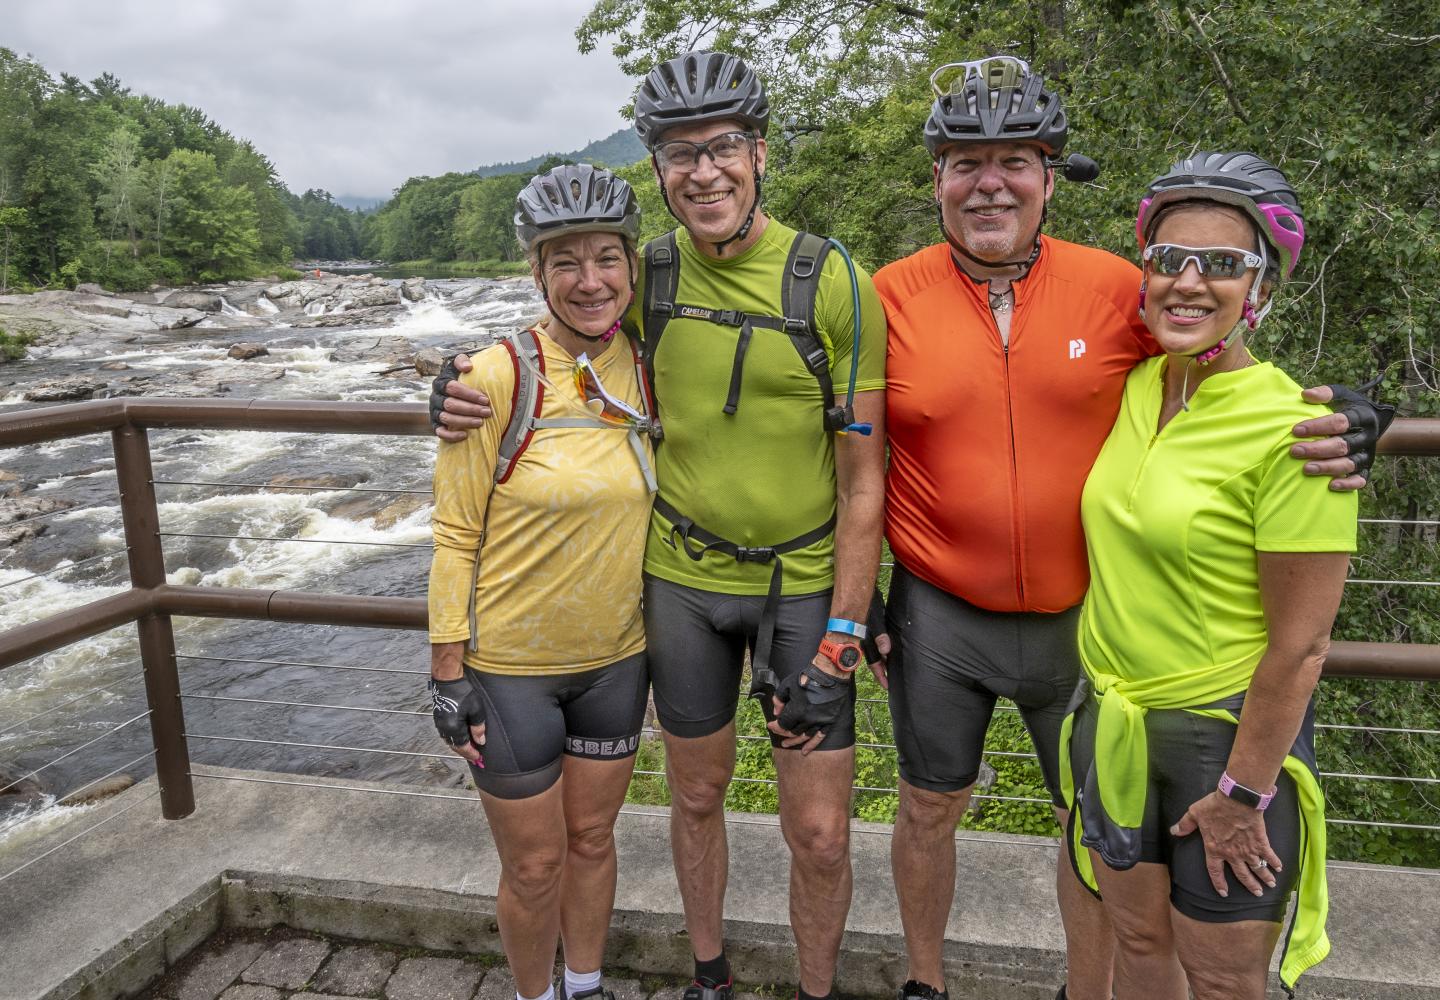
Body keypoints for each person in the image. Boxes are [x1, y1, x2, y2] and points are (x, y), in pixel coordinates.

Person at [871, 58, 1388, 1000]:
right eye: (965, 161)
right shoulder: (886, 295)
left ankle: (1090, 990)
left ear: (1051, 176)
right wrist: (849, 595)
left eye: (1015, 160)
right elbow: (839, 446)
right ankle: (925, 982)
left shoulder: (1120, 287)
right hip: (942, 610)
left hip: (1086, 624)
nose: (990, 181)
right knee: (929, 804)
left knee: (1087, 842)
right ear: (937, 178)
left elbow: (1223, 349)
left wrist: (1354, 413)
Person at [433, 51, 887, 1000]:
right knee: (695, 796)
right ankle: (709, 977)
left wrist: (846, 629)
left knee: (820, 830)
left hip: (799, 587)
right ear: (659, 170)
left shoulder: (831, 279)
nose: (705, 170)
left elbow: (862, 477)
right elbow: (568, 320)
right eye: (681, 153)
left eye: (724, 146)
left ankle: (816, 990)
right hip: (680, 584)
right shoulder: (651, 274)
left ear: (762, 152)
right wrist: (453, 387)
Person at [1063, 151, 1356, 1000]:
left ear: (1260, 288)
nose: (1189, 282)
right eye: (1168, 260)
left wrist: (1241, 794)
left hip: (1223, 742)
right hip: (1113, 722)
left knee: (1225, 980)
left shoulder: (1298, 431)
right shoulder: (1135, 385)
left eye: (1223, 264)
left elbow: (1302, 648)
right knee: (1138, 943)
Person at [427, 163, 656, 1000]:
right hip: (511, 669)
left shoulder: (649, 359)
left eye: (606, 258)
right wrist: (447, 672)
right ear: (537, 273)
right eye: (566, 261)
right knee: (534, 865)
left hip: (617, 661)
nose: (589, 280)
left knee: (593, 840)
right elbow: (454, 533)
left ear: (633, 267)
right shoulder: (494, 378)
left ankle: (585, 985)